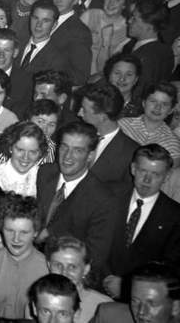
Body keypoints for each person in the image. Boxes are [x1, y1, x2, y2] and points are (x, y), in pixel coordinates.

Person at [36, 121, 117, 277]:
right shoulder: (45, 173)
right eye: (64, 147)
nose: (67, 156)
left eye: (77, 151)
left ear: (90, 156)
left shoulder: (103, 199)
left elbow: (95, 258)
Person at [104, 144, 180, 300]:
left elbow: (170, 267)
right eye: (143, 171)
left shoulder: (175, 216)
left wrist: (127, 286)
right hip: (94, 283)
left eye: (156, 174)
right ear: (133, 169)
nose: (147, 179)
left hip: (137, 301)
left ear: (167, 176)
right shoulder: (108, 195)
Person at [0, 193, 48, 322]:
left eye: (24, 232)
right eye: (10, 231)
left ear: (35, 233)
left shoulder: (48, 268)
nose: (16, 239)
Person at [77, 82, 140, 195]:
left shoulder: (131, 153)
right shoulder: (76, 134)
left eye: (84, 110)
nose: (79, 113)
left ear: (102, 117)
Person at [45, 236, 112, 323]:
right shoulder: (38, 301)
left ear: (86, 269)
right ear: (49, 265)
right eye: (58, 265)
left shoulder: (103, 307)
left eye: (72, 267)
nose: (64, 273)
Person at [94, 262, 180, 323]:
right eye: (135, 301)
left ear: (176, 307)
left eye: (152, 304)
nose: (141, 312)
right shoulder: (108, 317)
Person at [0, 121, 48, 197]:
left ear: (40, 153)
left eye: (32, 152)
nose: (25, 157)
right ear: (10, 148)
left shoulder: (46, 179)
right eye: (20, 150)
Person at [119, 82, 180, 166]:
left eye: (164, 104)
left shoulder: (172, 143)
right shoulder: (122, 125)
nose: (158, 107)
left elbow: (169, 176)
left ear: (171, 110)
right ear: (144, 103)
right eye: (153, 101)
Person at [122, 0, 173, 90]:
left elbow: (139, 91)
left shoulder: (147, 57)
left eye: (134, 19)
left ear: (149, 26)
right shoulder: (164, 49)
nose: (129, 21)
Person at [80, 0, 129, 75]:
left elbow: (109, 67)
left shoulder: (127, 30)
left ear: (124, 5)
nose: (111, 3)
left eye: (117, 0)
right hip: (80, 69)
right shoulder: (89, 15)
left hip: (102, 76)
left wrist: (106, 43)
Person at [104, 53, 143, 118]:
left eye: (129, 74)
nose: (122, 79)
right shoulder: (95, 103)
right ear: (109, 76)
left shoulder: (142, 110)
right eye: (117, 73)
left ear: (136, 79)